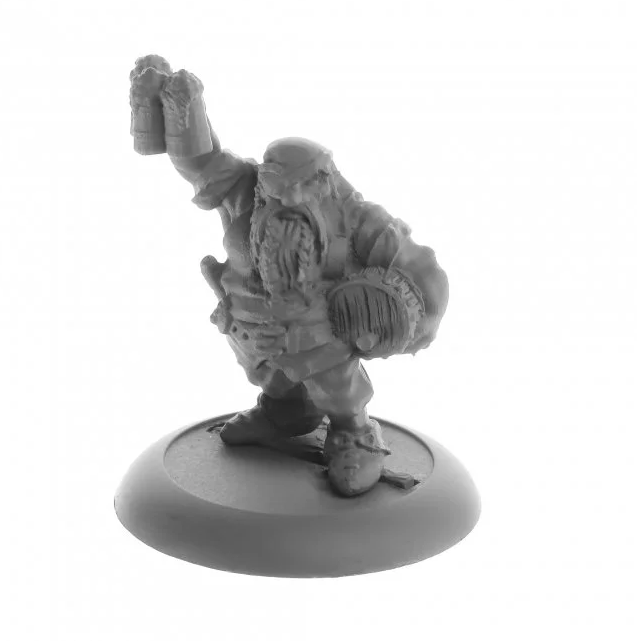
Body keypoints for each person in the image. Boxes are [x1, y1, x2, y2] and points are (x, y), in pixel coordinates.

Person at [131, 58, 449, 496]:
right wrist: (185, 109)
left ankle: (354, 435)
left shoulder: (358, 219)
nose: (284, 199)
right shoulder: (247, 192)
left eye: (297, 188)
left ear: (323, 181)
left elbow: (422, 271)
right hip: (254, 324)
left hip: (322, 330)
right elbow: (201, 164)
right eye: (275, 187)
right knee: (268, 374)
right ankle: (283, 413)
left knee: (335, 387)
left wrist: (395, 318)